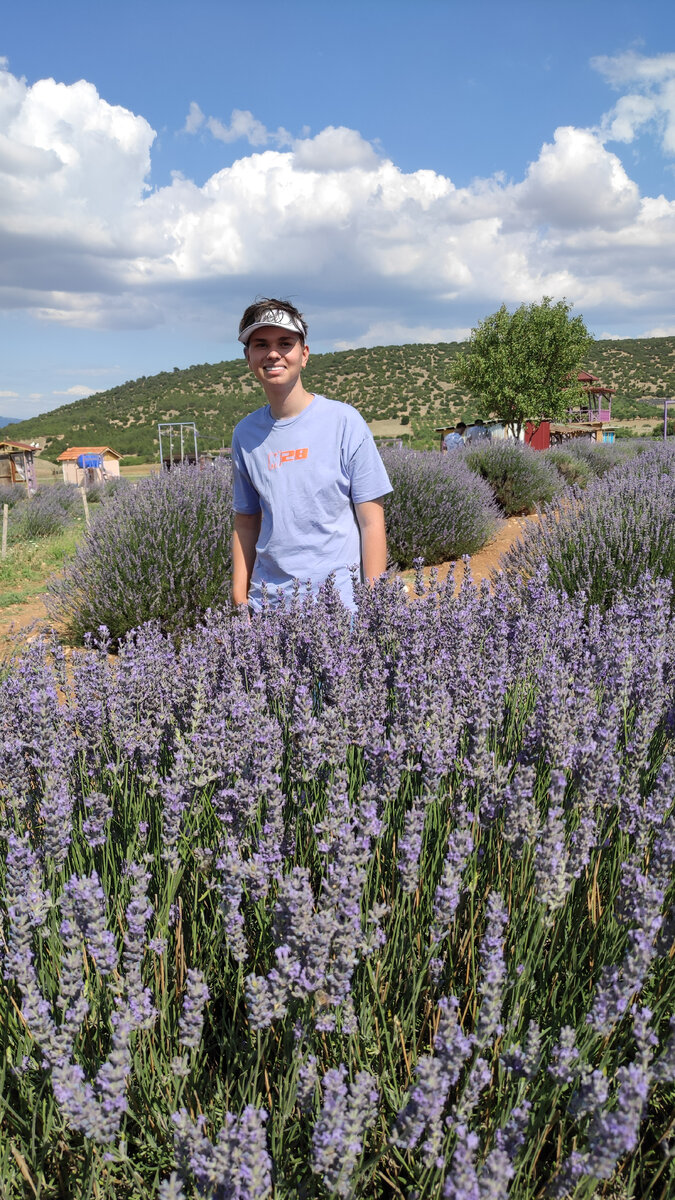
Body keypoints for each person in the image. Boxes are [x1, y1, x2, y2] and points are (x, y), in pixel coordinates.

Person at [231, 298, 392, 613]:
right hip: (269, 608)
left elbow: (372, 521)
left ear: (304, 354)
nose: (273, 353)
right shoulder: (245, 434)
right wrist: (239, 600)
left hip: (339, 608)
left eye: (285, 343)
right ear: (248, 358)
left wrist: (374, 606)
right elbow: (246, 522)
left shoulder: (344, 422)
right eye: (261, 344)